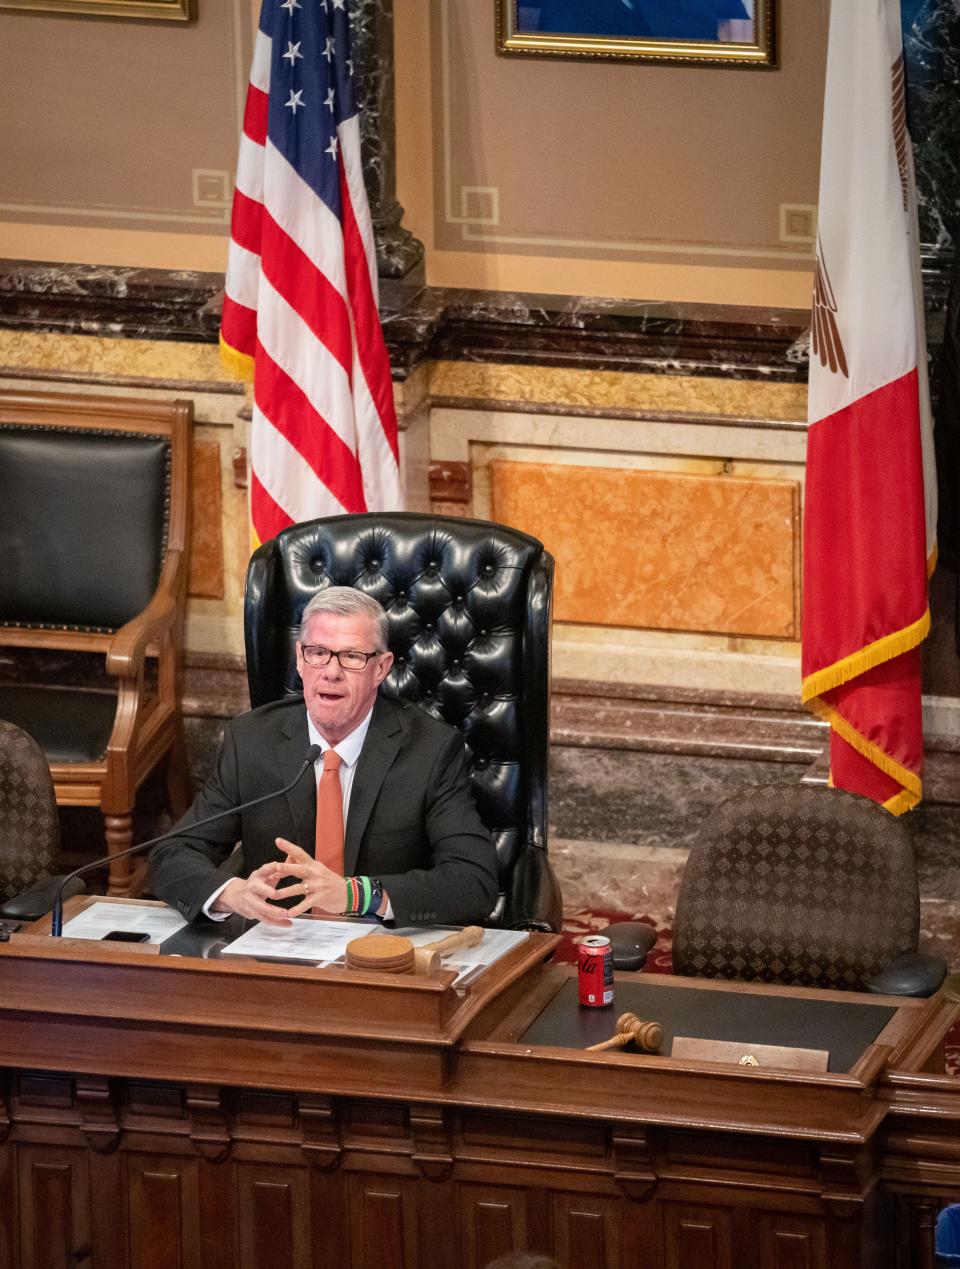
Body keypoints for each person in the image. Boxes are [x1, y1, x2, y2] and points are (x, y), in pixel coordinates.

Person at [149, 587, 498, 928]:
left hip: (380, 954)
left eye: (351, 656)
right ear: (300, 659)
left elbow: (473, 881)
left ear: (381, 668)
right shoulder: (252, 740)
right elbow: (173, 854)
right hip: (278, 950)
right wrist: (232, 893)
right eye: (318, 653)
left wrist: (357, 895)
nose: (331, 672)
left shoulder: (430, 750)